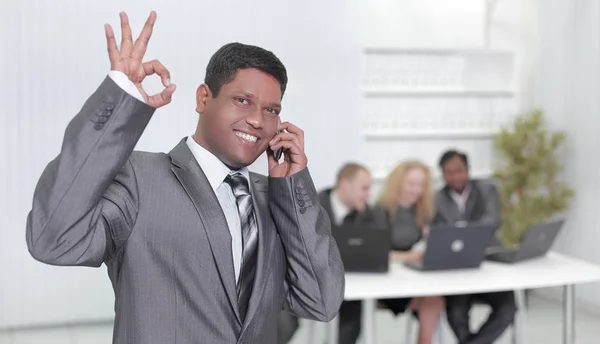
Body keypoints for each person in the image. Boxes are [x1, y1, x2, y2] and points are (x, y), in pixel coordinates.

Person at [25, 11, 344, 344]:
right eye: (241, 100)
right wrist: (119, 99)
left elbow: (320, 301)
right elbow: (52, 239)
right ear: (203, 98)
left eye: (271, 110)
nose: (257, 120)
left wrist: (293, 187)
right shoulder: (140, 178)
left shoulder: (273, 199)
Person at [278, 162, 385, 344]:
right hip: (304, 281)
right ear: (344, 184)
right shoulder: (309, 206)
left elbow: (378, 249)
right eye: (364, 188)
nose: (369, 194)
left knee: (352, 316)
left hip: (348, 285)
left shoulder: (370, 213)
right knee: (282, 319)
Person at [434, 150, 516, 344]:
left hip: (489, 264)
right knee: (455, 313)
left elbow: (492, 221)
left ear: (468, 170)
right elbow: (438, 232)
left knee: (508, 308)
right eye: (448, 172)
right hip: (457, 268)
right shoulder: (437, 199)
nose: (454, 176)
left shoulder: (487, 189)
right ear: (443, 175)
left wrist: (458, 230)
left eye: (459, 170)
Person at [376, 161, 445, 344]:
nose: (417, 190)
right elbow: (375, 253)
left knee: (435, 298)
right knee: (433, 300)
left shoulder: (424, 210)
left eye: (422, 185)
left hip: (416, 275)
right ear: (398, 183)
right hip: (388, 279)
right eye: (412, 184)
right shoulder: (380, 210)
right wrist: (409, 257)